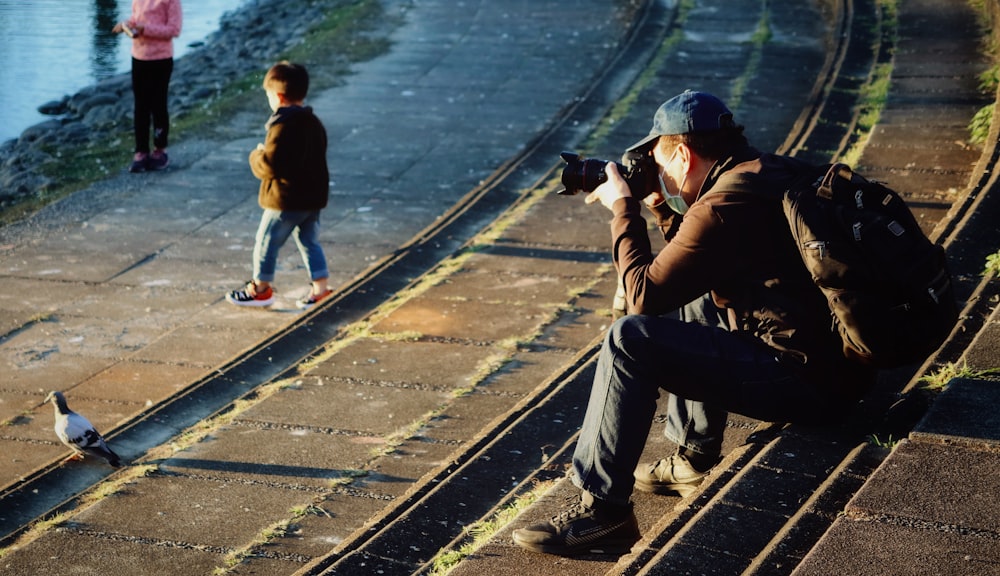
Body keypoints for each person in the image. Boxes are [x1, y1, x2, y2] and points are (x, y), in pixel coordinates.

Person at [511, 91, 875, 556]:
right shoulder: (765, 173)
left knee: (628, 340)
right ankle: (692, 457)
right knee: (696, 287)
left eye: (662, 167)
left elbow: (643, 297)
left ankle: (603, 515)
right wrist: (660, 204)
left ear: (682, 153)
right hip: (839, 370)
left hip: (807, 385)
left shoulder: (721, 208)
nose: (661, 177)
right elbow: (694, 258)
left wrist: (624, 209)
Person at [225, 61, 333, 310]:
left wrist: (256, 155)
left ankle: (261, 289)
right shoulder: (313, 121)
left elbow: (272, 165)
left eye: (268, 95)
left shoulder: (283, 126)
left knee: (266, 240)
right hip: (312, 198)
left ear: (279, 96)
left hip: (287, 198)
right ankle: (321, 288)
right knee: (309, 241)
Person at [112, 0, 182, 173]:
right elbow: (137, 20)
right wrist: (127, 26)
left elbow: (174, 30)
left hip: (161, 59)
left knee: (158, 105)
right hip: (139, 58)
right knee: (141, 107)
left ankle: (160, 150)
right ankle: (141, 151)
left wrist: (145, 29)